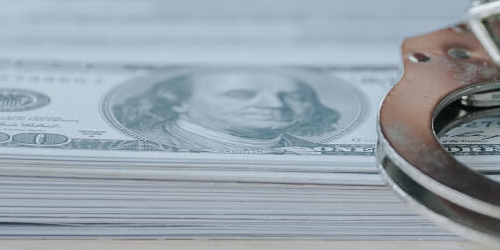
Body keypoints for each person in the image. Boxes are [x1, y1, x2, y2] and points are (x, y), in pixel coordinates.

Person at [106, 69, 344, 153]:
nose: (275, 104)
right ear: (178, 101)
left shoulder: (311, 150)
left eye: (294, 97)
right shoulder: (139, 147)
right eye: (240, 95)